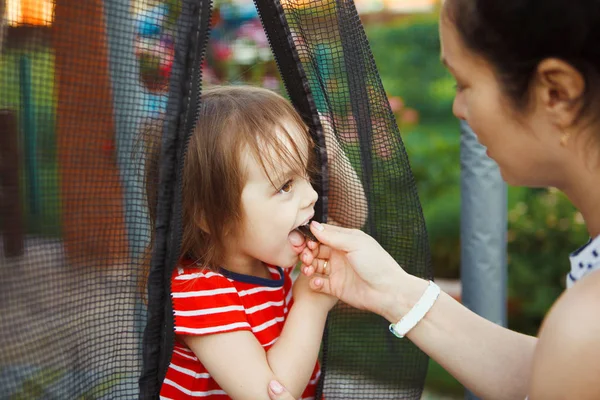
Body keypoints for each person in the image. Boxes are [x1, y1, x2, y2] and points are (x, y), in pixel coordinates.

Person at [268, 0, 600, 399]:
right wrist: (394, 291)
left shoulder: (587, 326)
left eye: (464, 84)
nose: (458, 108)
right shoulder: (581, 339)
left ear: (556, 92)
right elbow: (551, 370)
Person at [142, 85, 366, 399]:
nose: (312, 195)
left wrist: (328, 141)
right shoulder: (198, 290)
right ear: (209, 217)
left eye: (307, 173)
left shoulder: (269, 258)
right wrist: (312, 303)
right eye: (286, 186)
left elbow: (353, 219)